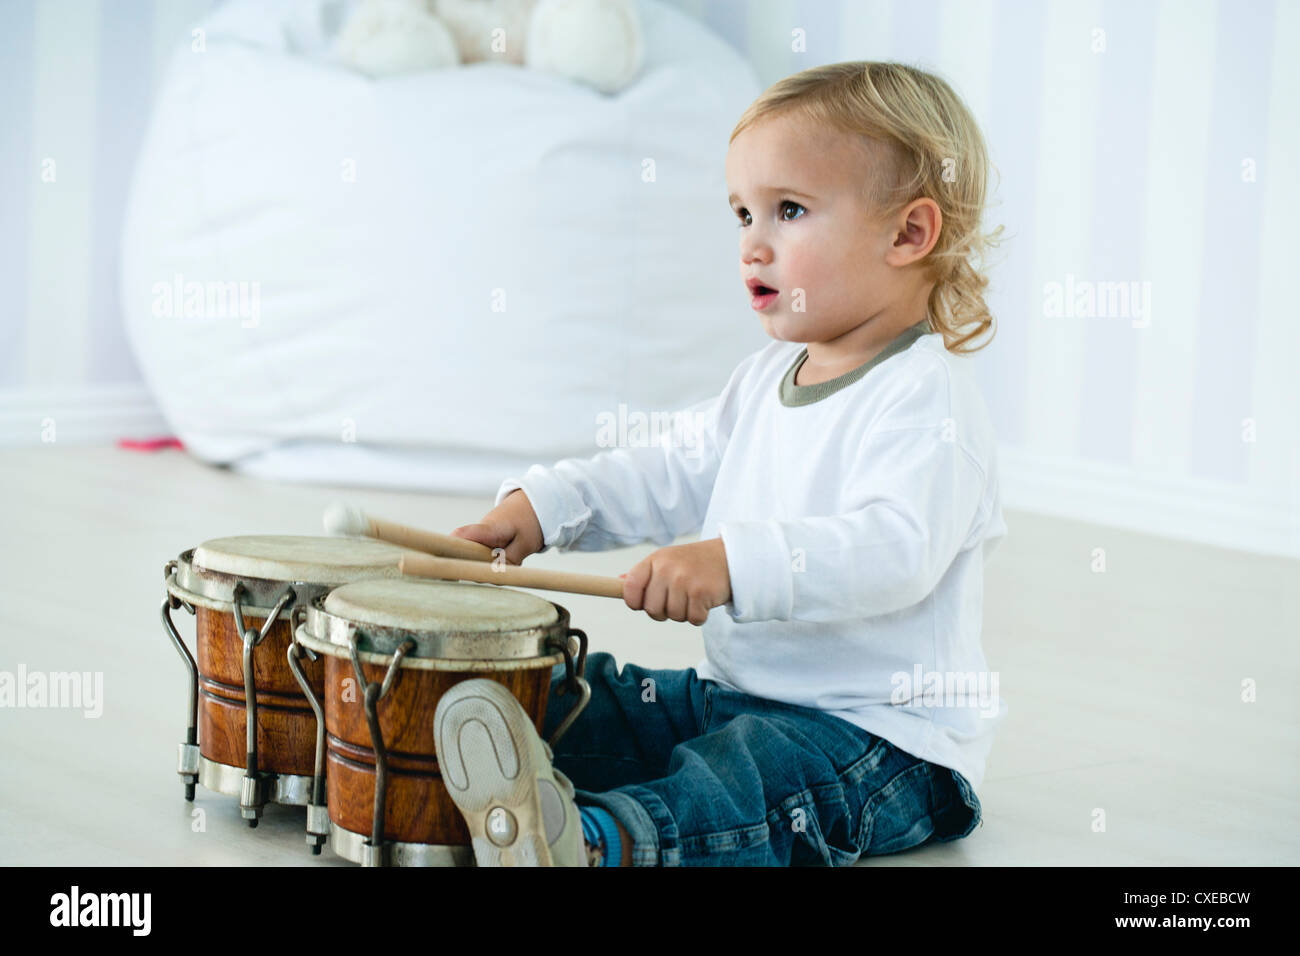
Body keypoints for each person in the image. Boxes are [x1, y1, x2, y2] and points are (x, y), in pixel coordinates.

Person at [439, 60, 1008, 867]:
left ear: (908, 234)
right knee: (593, 695)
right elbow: (669, 469)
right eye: (742, 213)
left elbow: (895, 551)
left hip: (878, 742)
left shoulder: (927, 399)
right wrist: (548, 505)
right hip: (737, 699)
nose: (753, 243)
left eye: (789, 210)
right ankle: (458, 755)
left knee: (746, 780)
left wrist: (733, 564)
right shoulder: (767, 381)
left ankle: (599, 841)